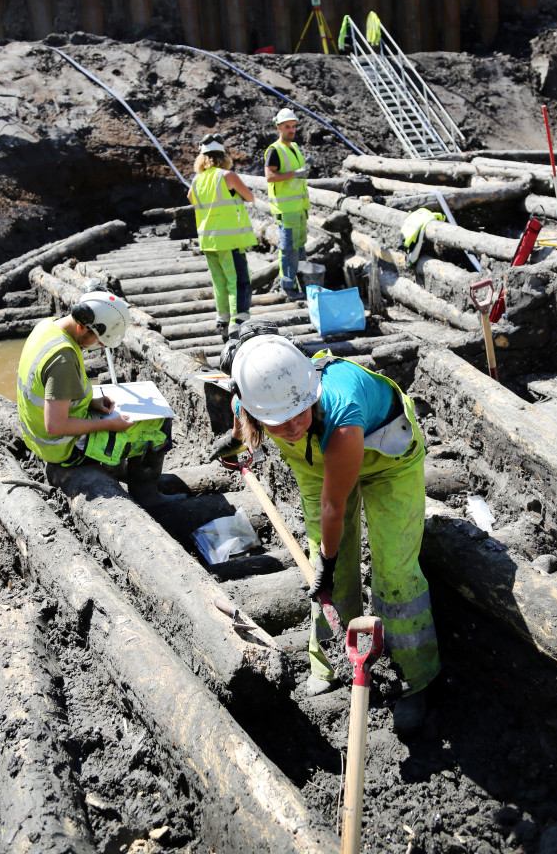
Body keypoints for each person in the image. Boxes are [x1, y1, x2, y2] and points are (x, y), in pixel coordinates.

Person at [225, 330, 440, 737]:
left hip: (387, 460)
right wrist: (237, 445)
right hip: (315, 468)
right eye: (277, 422)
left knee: (393, 572)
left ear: (310, 392)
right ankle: (330, 659)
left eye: (299, 414)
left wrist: (325, 558)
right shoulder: (252, 397)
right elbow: (243, 423)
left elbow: (333, 507)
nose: (289, 427)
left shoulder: (339, 413)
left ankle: (416, 677)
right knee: (328, 573)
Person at [16, 289, 171, 508]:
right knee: (160, 425)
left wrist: (91, 402)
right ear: (82, 326)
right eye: (98, 341)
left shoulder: (48, 327)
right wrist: (109, 424)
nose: (99, 346)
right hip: (62, 447)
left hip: (37, 438)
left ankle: (121, 470)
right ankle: (147, 496)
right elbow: (55, 425)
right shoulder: (62, 358)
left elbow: (49, 391)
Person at [187, 133, 257, 341]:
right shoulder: (227, 176)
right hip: (229, 240)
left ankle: (223, 322)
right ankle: (239, 323)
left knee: (220, 282)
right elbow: (250, 197)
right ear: (223, 156)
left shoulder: (197, 181)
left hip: (208, 241)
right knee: (239, 282)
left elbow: (190, 198)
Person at [264, 107, 310, 300]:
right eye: (287, 127)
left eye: (293, 126)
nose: (291, 130)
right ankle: (288, 287)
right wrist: (295, 174)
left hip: (299, 209)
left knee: (299, 247)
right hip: (286, 210)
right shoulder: (275, 150)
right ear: (279, 128)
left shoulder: (295, 147)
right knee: (288, 248)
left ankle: (302, 283)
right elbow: (270, 176)